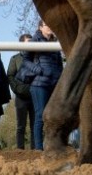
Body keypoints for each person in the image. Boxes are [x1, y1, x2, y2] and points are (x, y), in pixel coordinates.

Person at [22, 20, 63, 150]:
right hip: (39, 84)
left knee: (55, 116)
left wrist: (61, 77)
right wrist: (38, 70)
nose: (50, 27)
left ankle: (54, 146)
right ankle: (38, 149)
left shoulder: (55, 42)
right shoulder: (34, 41)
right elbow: (25, 60)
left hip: (54, 84)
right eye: (47, 25)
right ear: (40, 27)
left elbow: (59, 63)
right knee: (40, 116)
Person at [6, 33, 35, 149]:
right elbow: (10, 75)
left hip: (35, 95)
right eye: (29, 41)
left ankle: (36, 149)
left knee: (35, 124)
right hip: (21, 96)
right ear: (22, 43)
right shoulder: (15, 59)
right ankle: (20, 149)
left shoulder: (36, 58)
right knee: (20, 125)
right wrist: (18, 89)